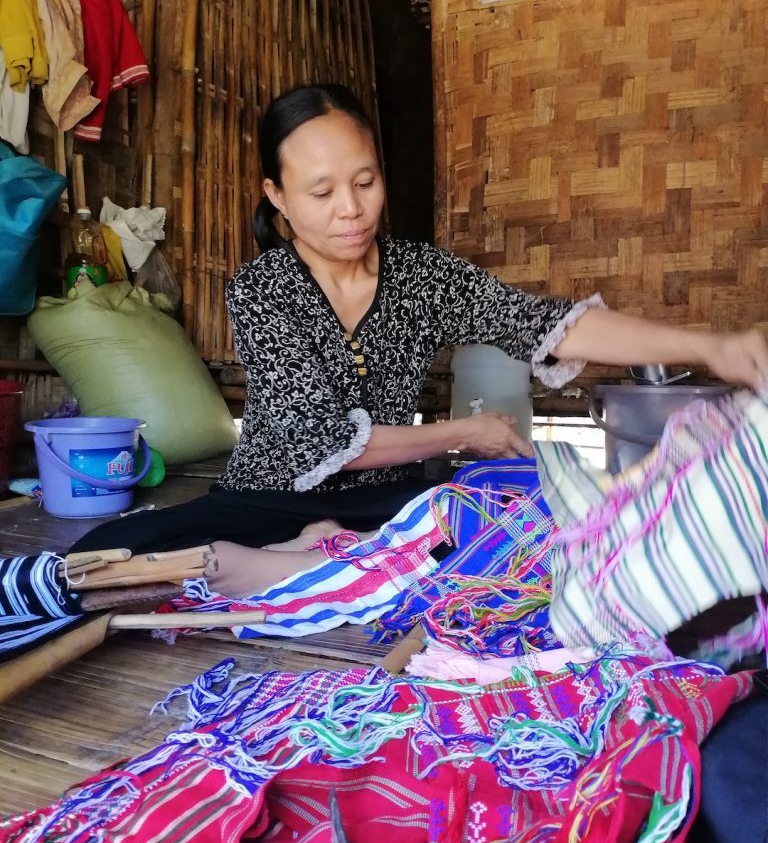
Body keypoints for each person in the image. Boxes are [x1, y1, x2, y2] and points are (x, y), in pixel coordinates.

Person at [69, 83, 768, 598]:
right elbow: (321, 448)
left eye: (365, 181)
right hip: (270, 498)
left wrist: (715, 348)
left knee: (541, 514)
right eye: (321, 193)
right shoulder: (261, 290)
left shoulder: (423, 276)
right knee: (104, 553)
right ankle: (324, 555)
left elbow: (547, 324)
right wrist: (469, 432)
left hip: (393, 502)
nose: (351, 208)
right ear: (277, 197)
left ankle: (326, 559)